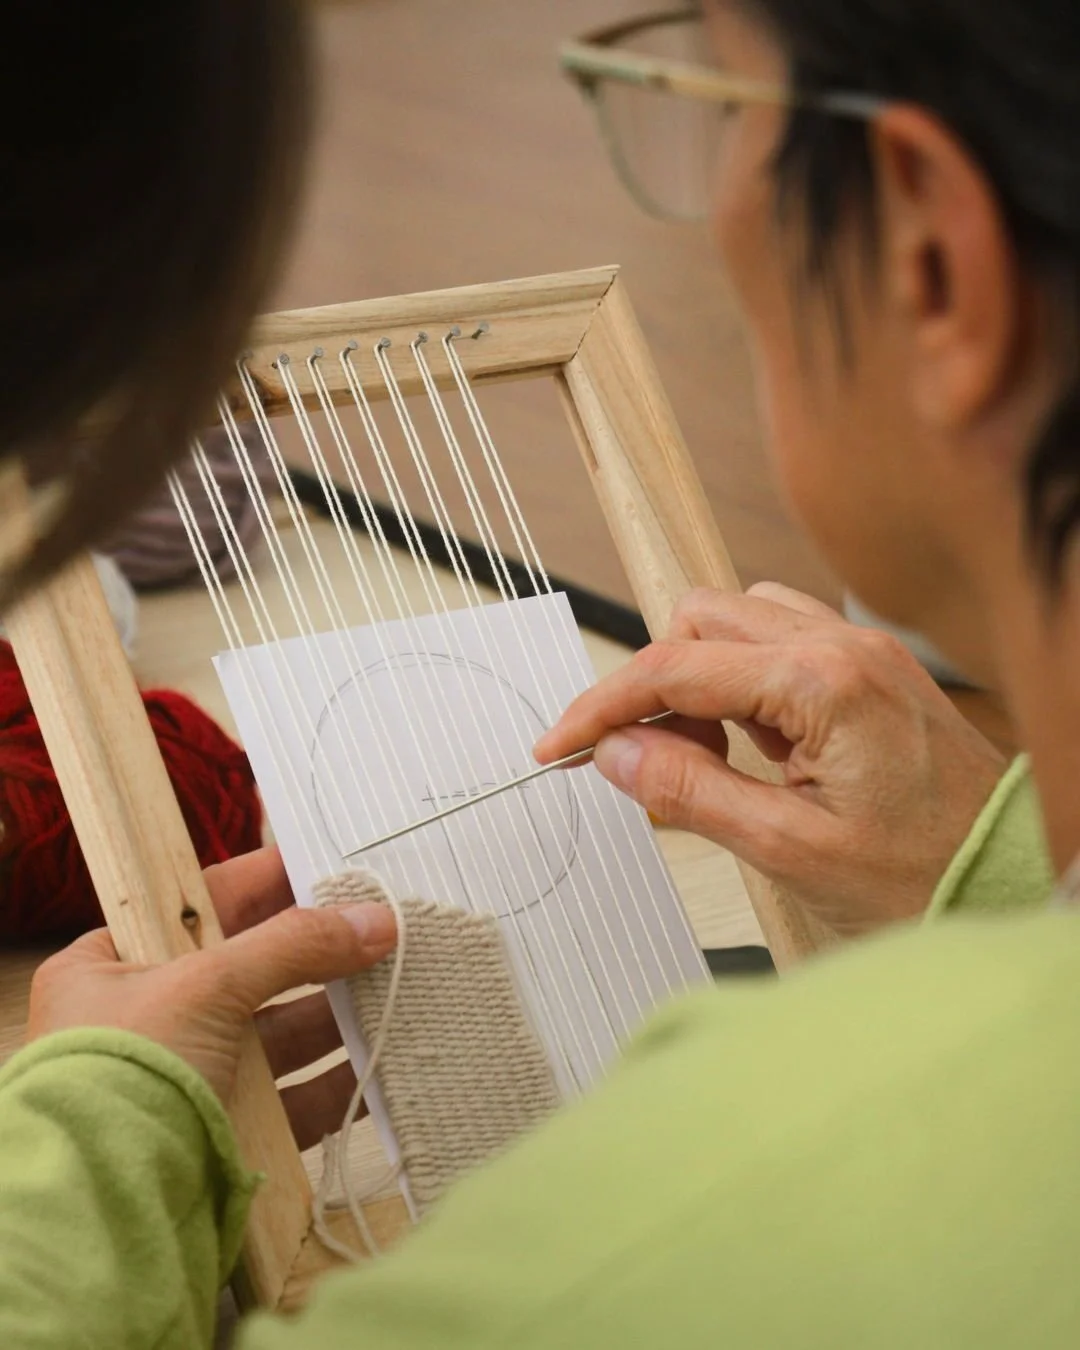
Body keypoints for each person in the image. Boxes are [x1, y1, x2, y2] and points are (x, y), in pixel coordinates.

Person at [1, 0, 1077, 1344]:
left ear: (930, 256)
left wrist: (94, 1156)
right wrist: (1000, 880)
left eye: (716, 108)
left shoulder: (615, 1259)